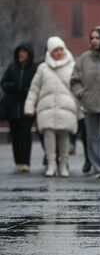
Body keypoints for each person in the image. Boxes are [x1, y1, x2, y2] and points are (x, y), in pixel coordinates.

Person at [24, 37, 79, 177]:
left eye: (61, 49)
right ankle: (51, 164)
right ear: (50, 52)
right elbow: (34, 88)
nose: (59, 52)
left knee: (64, 137)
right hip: (46, 108)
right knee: (49, 136)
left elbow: (78, 88)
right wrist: (29, 107)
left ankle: (63, 165)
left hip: (66, 107)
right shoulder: (43, 68)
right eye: (56, 50)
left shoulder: (72, 66)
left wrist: (81, 108)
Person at [70, 27, 100, 179]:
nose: (94, 41)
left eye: (98, 38)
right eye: (92, 38)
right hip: (89, 103)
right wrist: (81, 94)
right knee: (92, 137)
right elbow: (74, 80)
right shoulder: (83, 59)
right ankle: (97, 167)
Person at [1, 43, 39, 172]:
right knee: (15, 136)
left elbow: (36, 86)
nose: (21, 54)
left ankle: (25, 162)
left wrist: (26, 90)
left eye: (24, 52)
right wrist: (16, 87)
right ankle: (18, 162)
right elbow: (4, 83)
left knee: (25, 136)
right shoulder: (12, 68)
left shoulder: (34, 69)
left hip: (27, 107)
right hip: (12, 107)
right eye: (20, 51)